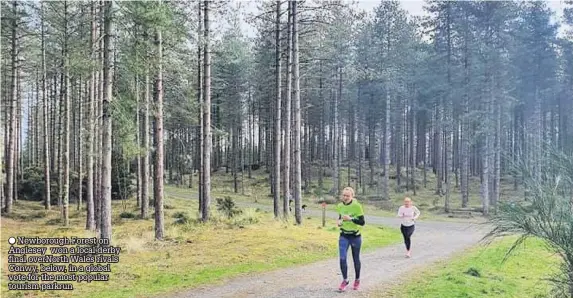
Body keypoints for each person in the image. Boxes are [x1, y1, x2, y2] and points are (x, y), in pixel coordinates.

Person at [336, 186, 365, 291]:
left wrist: (351, 219)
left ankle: (357, 279)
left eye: (347, 196)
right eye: (344, 195)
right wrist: (339, 222)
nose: (345, 197)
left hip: (355, 236)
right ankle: (345, 280)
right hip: (344, 235)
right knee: (342, 258)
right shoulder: (339, 206)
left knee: (355, 259)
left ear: (352, 196)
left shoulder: (357, 206)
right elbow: (340, 217)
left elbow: (362, 222)